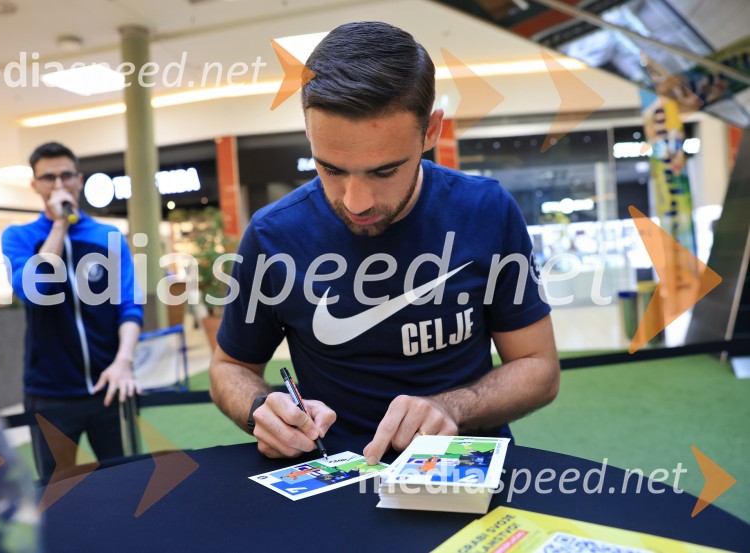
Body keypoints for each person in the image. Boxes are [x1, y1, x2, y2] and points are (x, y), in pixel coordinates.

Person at [208, 21, 559, 466]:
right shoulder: (272, 234)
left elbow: (539, 368)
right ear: (309, 135)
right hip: (332, 478)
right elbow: (230, 368)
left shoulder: (486, 211)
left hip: (464, 470)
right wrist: (262, 409)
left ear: (430, 132)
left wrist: (450, 408)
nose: (356, 203)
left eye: (384, 171)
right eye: (331, 169)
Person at [2, 142, 143, 483]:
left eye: (66, 175)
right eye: (48, 177)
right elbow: (33, 292)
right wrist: (59, 226)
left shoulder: (107, 236)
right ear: (35, 185)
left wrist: (123, 361)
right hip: (50, 394)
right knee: (57, 490)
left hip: (108, 386)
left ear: (80, 179)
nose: (59, 185)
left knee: (127, 482)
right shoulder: (18, 237)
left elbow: (129, 305)